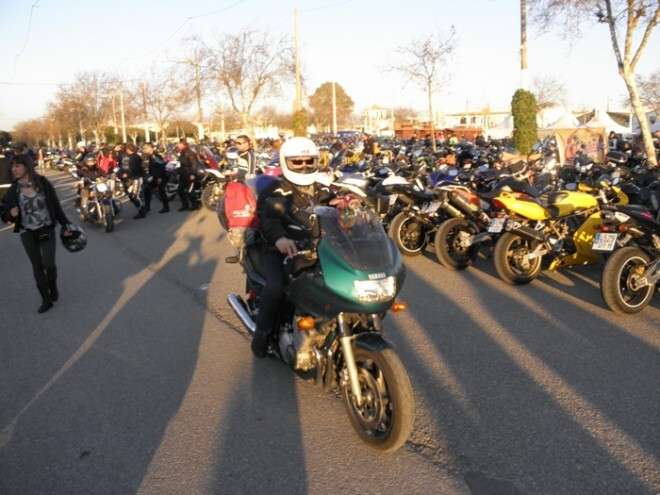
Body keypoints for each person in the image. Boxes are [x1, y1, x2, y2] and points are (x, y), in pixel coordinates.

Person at [251, 137, 328, 357]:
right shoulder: (276, 191)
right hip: (281, 250)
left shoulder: (323, 189)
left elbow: (335, 210)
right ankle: (262, 336)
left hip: (318, 249)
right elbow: (269, 218)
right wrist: (279, 239)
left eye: (309, 161)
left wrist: (349, 208)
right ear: (286, 162)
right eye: (297, 162)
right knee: (276, 287)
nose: (304, 166)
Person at [1, 155, 72, 313]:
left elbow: (56, 206)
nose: (14, 169)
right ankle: (46, 299)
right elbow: (4, 213)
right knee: (37, 266)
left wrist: (66, 224)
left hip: (47, 230)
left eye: (17, 166)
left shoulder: (42, 183)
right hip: (27, 233)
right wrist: (10, 214)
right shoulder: (13, 190)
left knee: (49, 264)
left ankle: (52, 284)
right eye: (12, 166)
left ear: (26, 166)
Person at [141, 142, 169, 214]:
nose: (144, 150)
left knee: (161, 191)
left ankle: (166, 207)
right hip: (154, 177)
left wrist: (159, 177)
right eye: (144, 148)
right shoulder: (150, 156)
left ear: (150, 148)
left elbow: (161, 166)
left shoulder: (155, 156)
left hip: (160, 176)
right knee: (147, 190)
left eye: (145, 148)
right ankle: (147, 207)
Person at [176, 138, 200, 211]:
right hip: (183, 174)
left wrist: (192, 174)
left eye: (179, 144)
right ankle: (185, 205)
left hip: (189, 174)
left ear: (183, 144)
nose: (178, 145)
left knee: (190, 191)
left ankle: (195, 205)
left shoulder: (189, 152)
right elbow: (181, 163)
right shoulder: (182, 152)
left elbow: (194, 164)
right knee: (180, 190)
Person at [125, 144, 146, 219]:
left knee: (134, 196)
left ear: (129, 149)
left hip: (136, 178)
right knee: (131, 195)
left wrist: (127, 174)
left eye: (127, 149)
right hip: (134, 178)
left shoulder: (134, 157)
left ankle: (142, 211)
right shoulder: (133, 157)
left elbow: (134, 169)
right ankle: (141, 208)